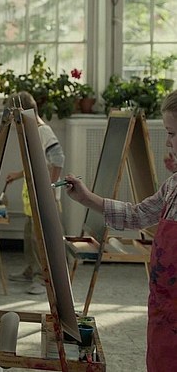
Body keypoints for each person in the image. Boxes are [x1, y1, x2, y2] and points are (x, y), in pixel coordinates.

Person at [64, 89, 177, 371]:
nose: (168, 142)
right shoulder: (173, 186)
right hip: (163, 311)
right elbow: (137, 215)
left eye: (172, 134)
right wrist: (87, 198)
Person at [4, 91, 66, 295]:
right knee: (29, 237)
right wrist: (18, 175)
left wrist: (50, 187)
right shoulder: (31, 133)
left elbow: (58, 159)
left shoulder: (43, 131)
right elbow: (36, 164)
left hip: (43, 197)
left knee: (40, 240)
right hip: (32, 198)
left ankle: (42, 278)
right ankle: (31, 270)